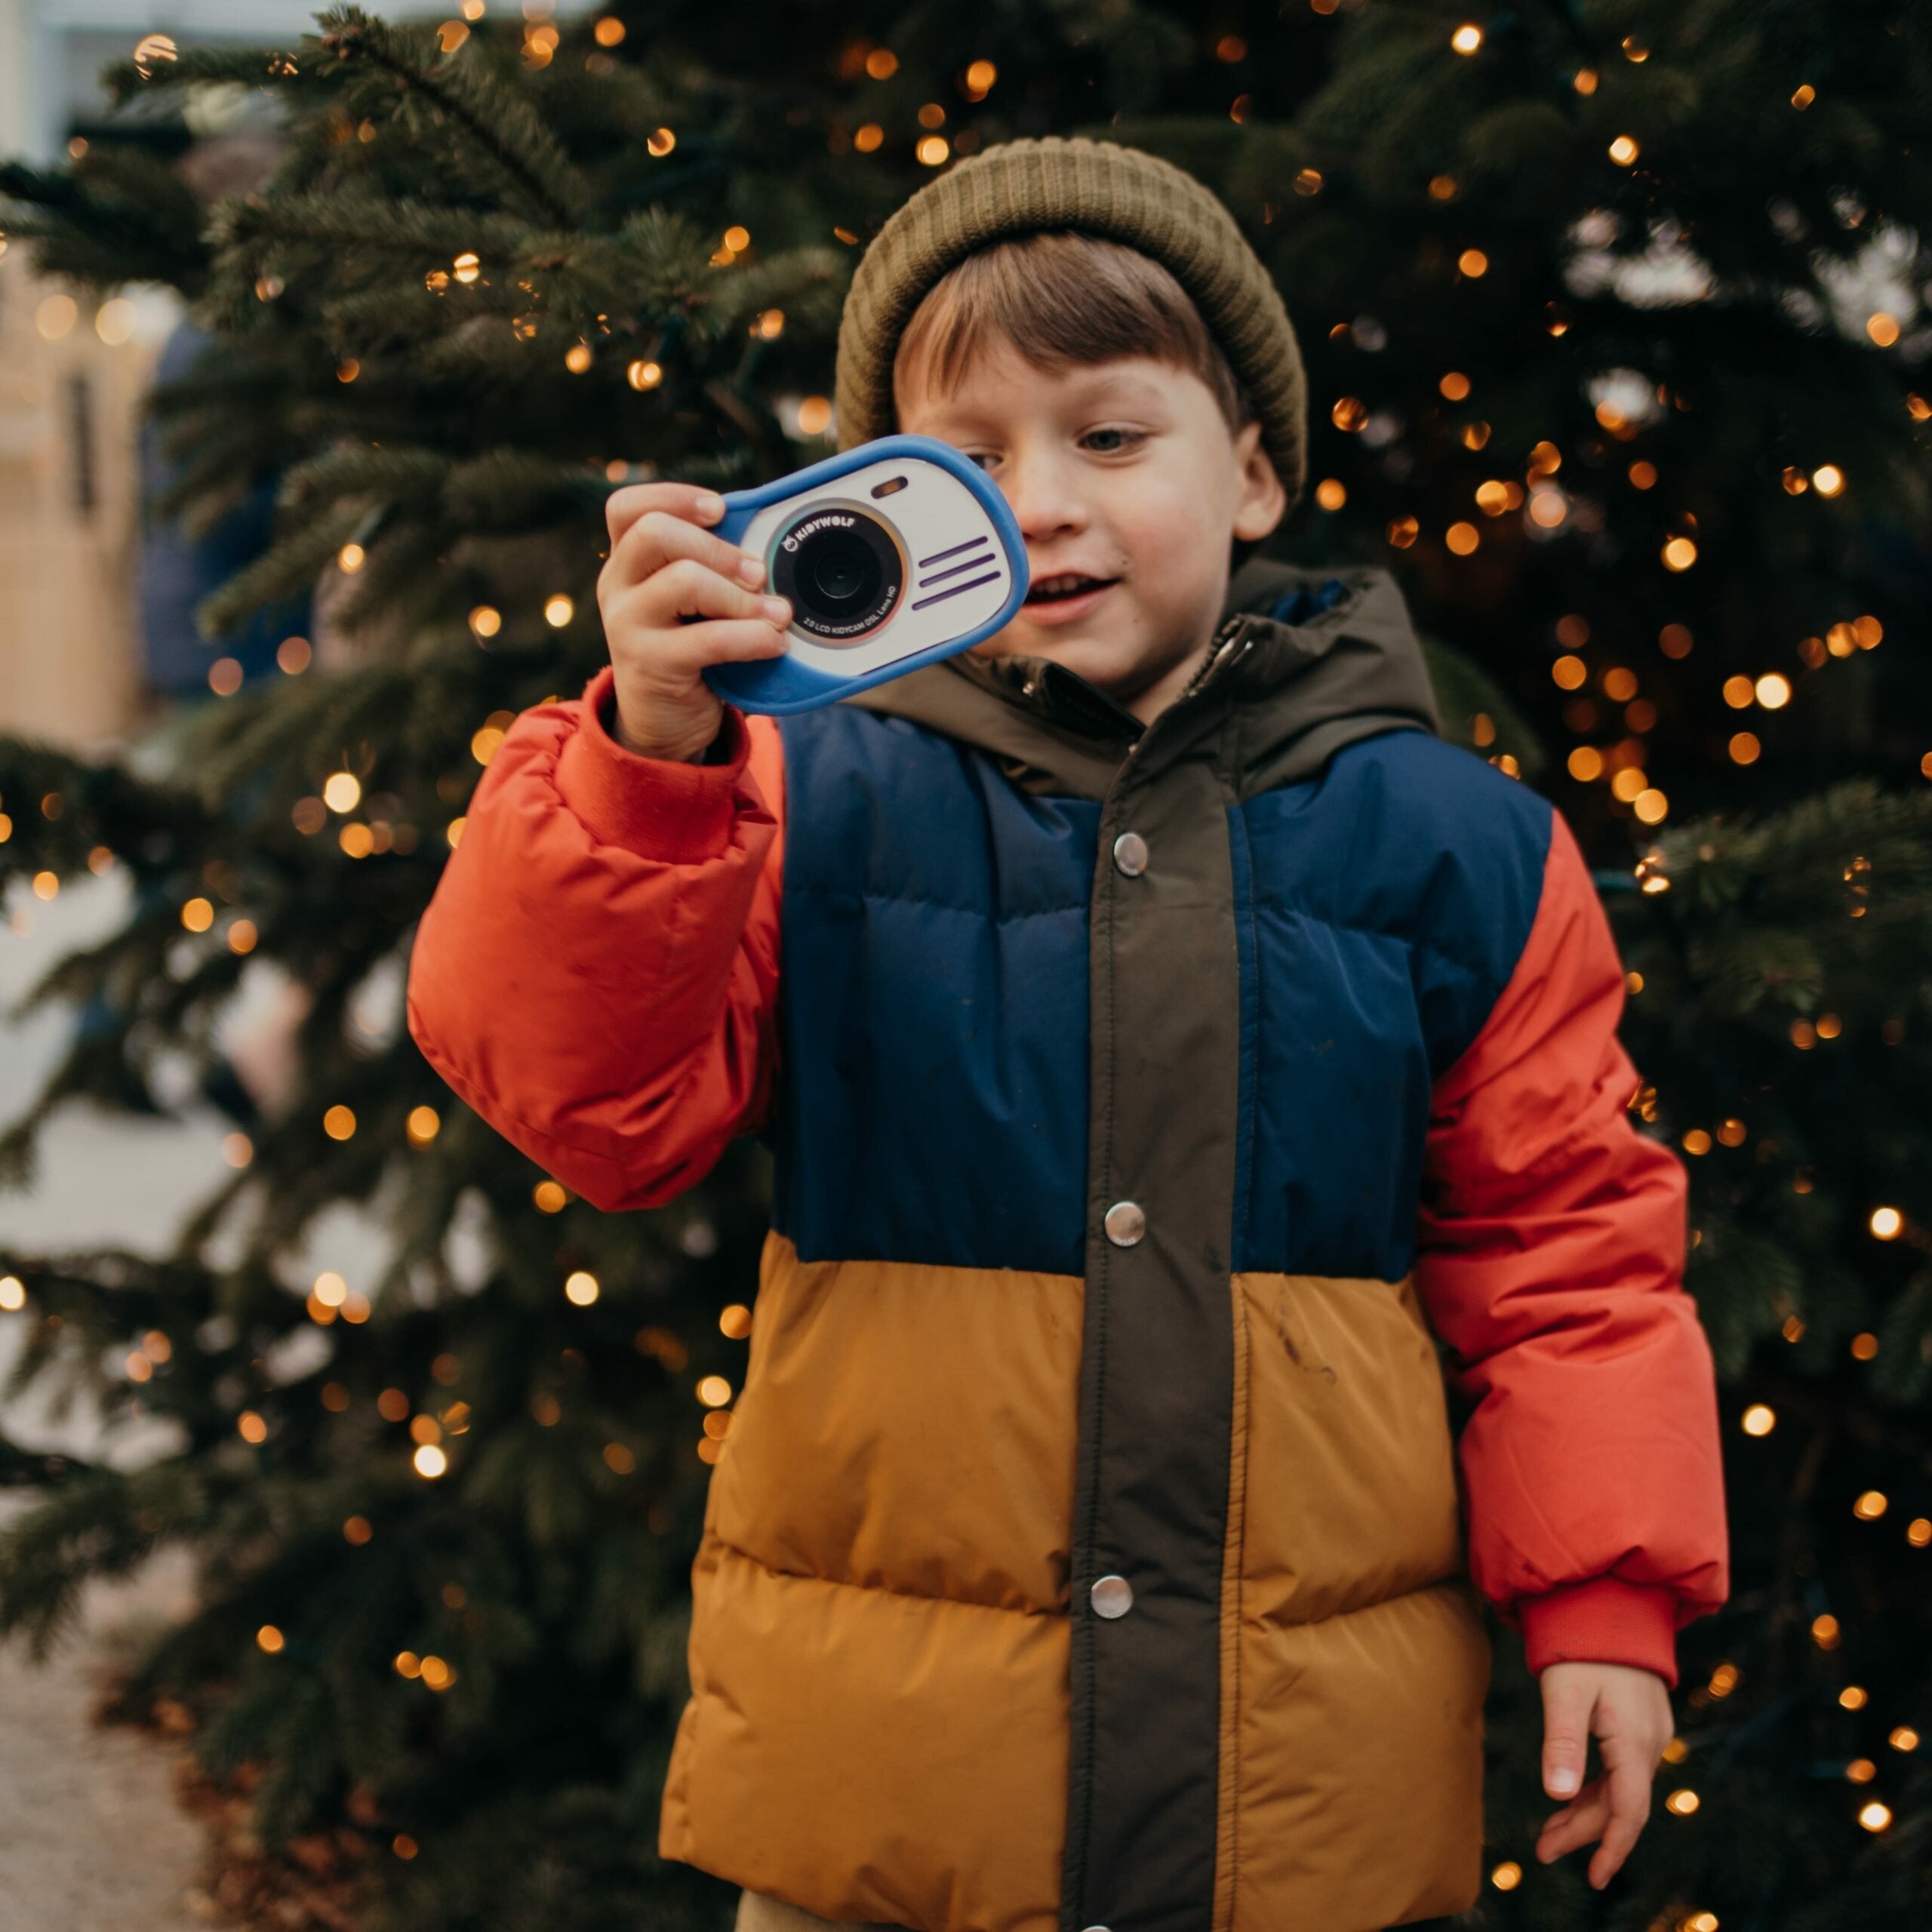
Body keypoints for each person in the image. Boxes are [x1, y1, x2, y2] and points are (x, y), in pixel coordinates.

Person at [404, 137, 1730, 1932]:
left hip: (1299, 1808)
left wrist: (1603, 1602)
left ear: (1252, 468)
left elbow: (1564, 1248)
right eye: (962, 460)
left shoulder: (1455, 846)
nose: (1036, 501)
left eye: (1108, 436)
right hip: (888, 1805)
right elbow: (596, 1105)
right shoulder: (789, 795)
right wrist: (643, 762)